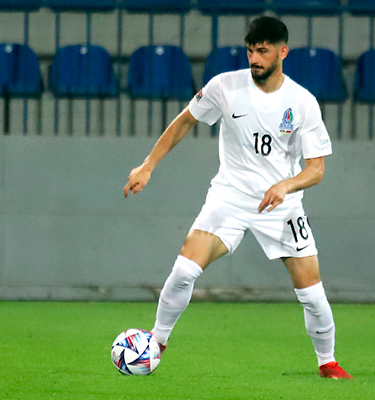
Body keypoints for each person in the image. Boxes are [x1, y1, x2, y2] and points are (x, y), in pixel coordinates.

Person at [123, 16, 351, 380]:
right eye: (250, 51)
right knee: (184, 270)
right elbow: (185, 120)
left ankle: (328, 362)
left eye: (263, 51)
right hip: (229, 198)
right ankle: (156, 342)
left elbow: (316, 170)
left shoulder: (302, 102)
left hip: (280, 206)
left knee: (311, 293)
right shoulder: (224, 86)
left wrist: (286, 185)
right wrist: (148, 165)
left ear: (282, 52)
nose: (255, 59)